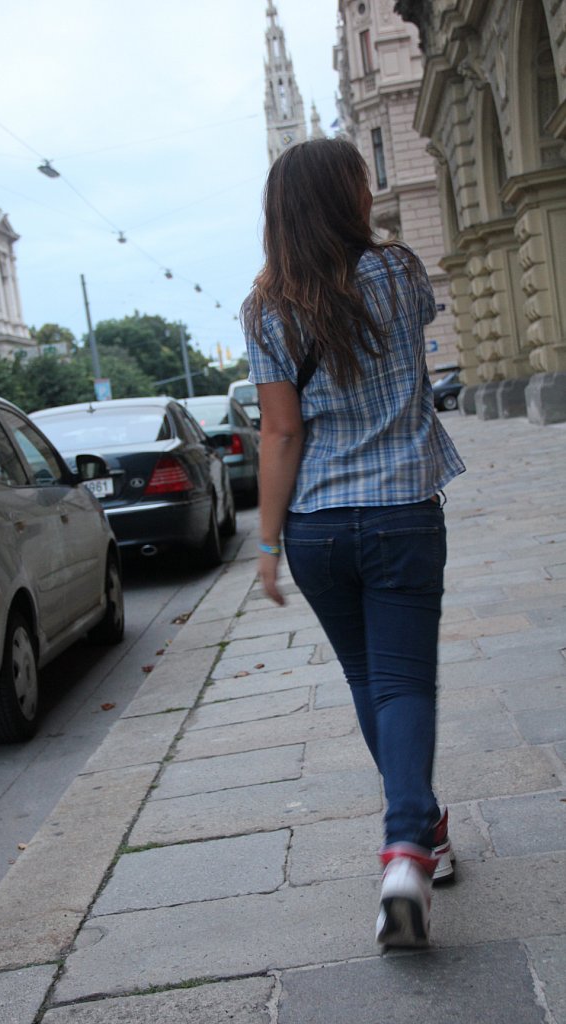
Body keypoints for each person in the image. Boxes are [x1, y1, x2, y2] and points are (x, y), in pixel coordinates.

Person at [241, 137, 465, 949]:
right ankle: (406, 848)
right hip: (403, 511)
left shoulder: (266, 308)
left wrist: (268, 544)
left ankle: (426, 830)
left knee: (371, 680)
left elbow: (280, 432)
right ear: (347, 199)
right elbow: (418, 334)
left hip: (319, 529)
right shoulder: (401, 272)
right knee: (403, 683)